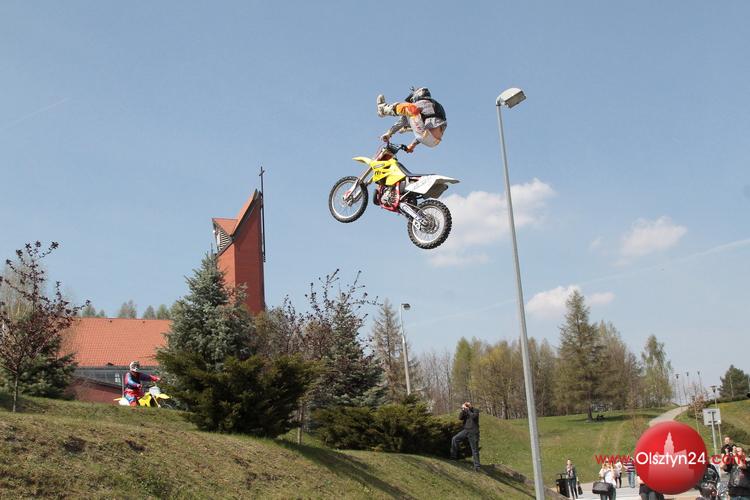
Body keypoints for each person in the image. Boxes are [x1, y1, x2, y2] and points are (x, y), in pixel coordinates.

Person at [376, 87, 447, 153]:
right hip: (434, 142)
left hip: (424, 134)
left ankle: (383, 109)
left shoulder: (423, 102)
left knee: (410, 109)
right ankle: (406, 128)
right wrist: (412, 146)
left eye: (412, 100)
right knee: (414, 115)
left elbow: (403, 120)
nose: (412, 102)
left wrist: (389, 133)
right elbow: (427, 133)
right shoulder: (435, 106)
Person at [450, 401, 481, 471]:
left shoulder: (475, 410)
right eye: (466, 405)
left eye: (468, 404)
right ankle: (453, 458)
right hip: (466, 430)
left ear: (471, 405)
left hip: (473, 432)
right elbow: (460, 418)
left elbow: (474, 417)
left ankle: (477, 466)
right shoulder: (465, 411)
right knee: (454, 439)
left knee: (474, 449)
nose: (467, 405)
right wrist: (463, 410)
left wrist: (468, 410)